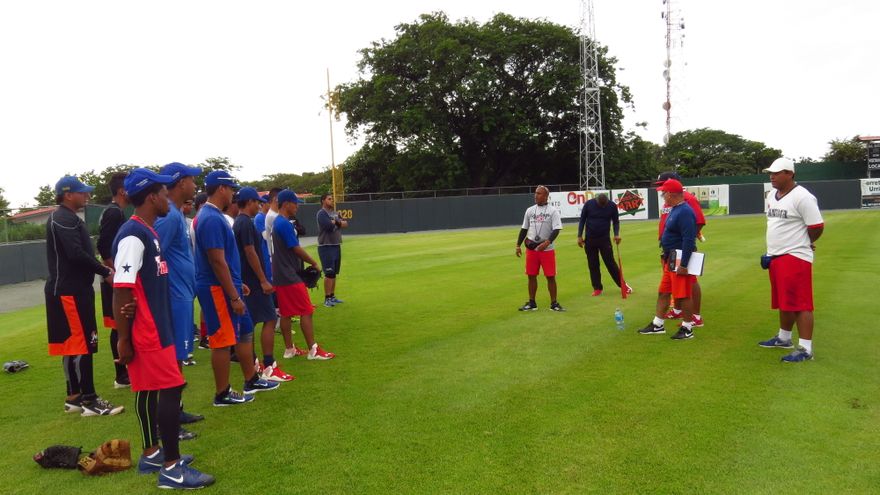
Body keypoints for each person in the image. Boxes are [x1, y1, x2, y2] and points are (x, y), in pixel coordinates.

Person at [111, 168, 214, 489]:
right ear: (152, 197)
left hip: (157, 325)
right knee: (170, 389)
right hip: (149, 330)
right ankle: (171, 468)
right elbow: (121, 288)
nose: (167, 198)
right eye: (163, 193)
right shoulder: (133, 234)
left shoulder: (148, 231)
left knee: (150, 388)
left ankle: (152, 454)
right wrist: (124, 338)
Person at [193, 171, 278, 407]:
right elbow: (216, 260)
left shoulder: (213, 216)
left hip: (225, 285)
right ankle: (222, 393)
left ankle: (251, 379)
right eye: (231, 189)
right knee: (222, 340)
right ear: (221, 189)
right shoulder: (210, 218)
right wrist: (233, 294)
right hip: (216, 288)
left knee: (244, 331)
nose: (233, 194)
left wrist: (236, 284)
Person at [45, 175, 124, 417]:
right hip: (70, 290)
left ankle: (74, 397)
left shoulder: (66, 217)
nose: (87, 195)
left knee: (73, 344)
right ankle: (89, 400)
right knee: (82, 344)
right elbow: (75, 253)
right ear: (68, 195)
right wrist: (105, 271)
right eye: (82, 192)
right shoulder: (63, 218)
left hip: (71, 289)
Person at [154, 162, 206, 432]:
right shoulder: (170, 216)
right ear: (180, 182)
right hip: (174, 297)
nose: (195, 185)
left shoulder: (175, 214)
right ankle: (169, 421)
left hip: (182, 294)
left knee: (178, 357)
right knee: (171, 359)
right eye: (191, 179)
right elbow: (154, 253)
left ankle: (177, 410)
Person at [757, 158, 824, 362]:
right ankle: (784, 338)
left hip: (795, 256)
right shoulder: (771, 195)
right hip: (776, 255)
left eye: (777, 173)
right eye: (771, 173)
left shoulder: (803, 197)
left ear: (790, 174)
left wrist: (805, 242)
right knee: (784, 300)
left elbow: (816, 226)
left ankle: (805, 349)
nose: (772, 176)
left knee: (801, 303)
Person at [233, 187, 293, 382]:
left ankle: (254, 363)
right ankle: (269, 366)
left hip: (246, 280)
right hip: (253, 281)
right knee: (269, 318)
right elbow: (250, 252)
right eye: (257, 203)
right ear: (249, 202)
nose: (259, 206)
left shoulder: (240, 222)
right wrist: (263, 280)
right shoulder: (245, 223)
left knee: (250, 323)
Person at [272, 190, 336, 360]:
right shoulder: (283, 223)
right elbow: (295, 248)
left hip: (280, 273)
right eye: (295, 203)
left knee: (286, 313)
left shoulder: (278, 221)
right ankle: (313, 350)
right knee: (306, 310)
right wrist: (313, 263)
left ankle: (289, 349)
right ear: (286, 204)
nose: (297, 206)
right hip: (289, 275)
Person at [638, 179, 698, 340]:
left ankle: (687, 328)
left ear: (671, 194)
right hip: (670, 258)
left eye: (664, 193)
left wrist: (684, 264)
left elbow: (688, 239)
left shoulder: (685, 211)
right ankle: (658, 324)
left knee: (683, 295)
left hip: (678, 258)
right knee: (663, 292)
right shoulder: (676, 209)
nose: (663, 196)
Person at [656, 171, 707, 326]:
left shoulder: (687, 199)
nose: (662, 191)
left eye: (663, 186)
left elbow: (698, 221)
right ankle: (677, 311)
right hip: (670, 250)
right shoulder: (672, 203)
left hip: (681, 250)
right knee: (672, 286)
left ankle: (694, 317)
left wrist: (688, 239)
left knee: (689, 283)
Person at [96, 172, 131, 388]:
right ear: (121, 191)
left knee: (121, 323)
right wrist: (114, 271)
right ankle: (121, 375)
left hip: (114, 275)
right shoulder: (113, 212)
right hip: (114, 277)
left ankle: (124, 372)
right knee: (119, 324)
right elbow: (102, 245)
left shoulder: (114, 211)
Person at [515, 186, 564, 311]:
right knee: (531, 275)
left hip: (547, 250)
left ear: (546, 196)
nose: (535, 195)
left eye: (539, 193)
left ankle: (554, 304)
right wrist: (518, 245)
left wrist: (547, 242)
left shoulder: (553, 211)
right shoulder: (530, 210)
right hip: (532, 249)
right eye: (535, 193)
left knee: (550, 276)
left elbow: (556, 229)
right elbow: (524, 228)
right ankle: (532, 303)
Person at [576, 193, 632, 297]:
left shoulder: (612, 206)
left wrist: (616, 234)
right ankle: (597, 288)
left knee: (610, 263)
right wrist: (579, 236)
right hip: (590, 239)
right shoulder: (589, 204)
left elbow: (616, 222)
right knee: (593, 264)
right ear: (597, 200)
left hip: (604, 239)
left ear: (607, 201)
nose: (602, 206)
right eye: (601, 204)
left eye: (604, 204)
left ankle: (623, 285)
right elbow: (582, 220)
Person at [316, 193, 348, 307]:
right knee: (329, 273)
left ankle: (332, 296)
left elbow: (345, 224)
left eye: (332, 198)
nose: (332, 200)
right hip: (326, 246)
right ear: (323, 201)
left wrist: (336, 222)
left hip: (336, 245)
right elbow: (328, 226)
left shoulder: (335, 213)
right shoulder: (321, 213)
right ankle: (327, 299)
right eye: (329, 199)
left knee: (334, 273)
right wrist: (337, 222)